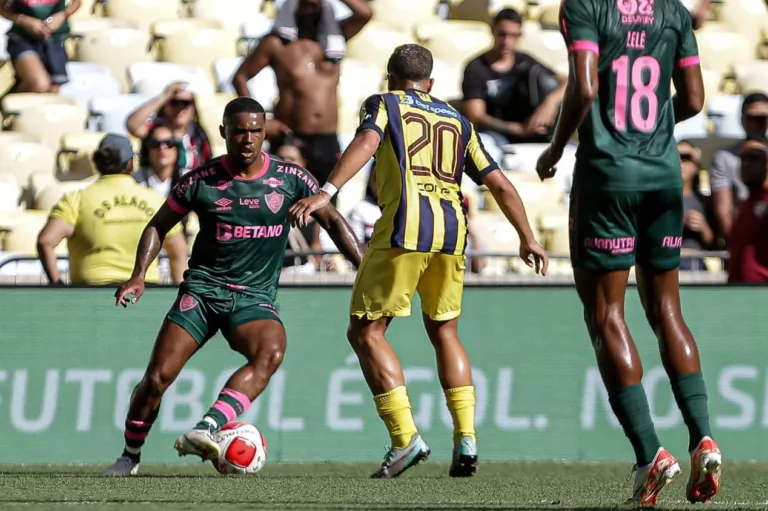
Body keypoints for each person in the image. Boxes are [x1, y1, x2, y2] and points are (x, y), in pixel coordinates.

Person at [289, 44, 548, 479]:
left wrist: (326, 192)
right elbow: (499, 183)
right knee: (445, 331)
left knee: (366, 331)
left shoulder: (385, 103)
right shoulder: (458, 119)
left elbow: (367, 142)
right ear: (430, 84)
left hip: (404, 231)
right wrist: (528, 236)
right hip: (453, 235)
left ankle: (405, 437)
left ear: (391, 79)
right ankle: (466, 437)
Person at [104, 97, 363, 476]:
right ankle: (130, 455)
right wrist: (139, 273)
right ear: (224, 132)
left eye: (256, 131)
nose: (248, 139)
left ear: (264, 133)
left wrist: (364, 268)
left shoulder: (291, 178)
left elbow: (335, 222)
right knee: (156, 379)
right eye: (240, 131)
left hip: (252, 297)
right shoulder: (199, 181)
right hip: (203, 293)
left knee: (271, 351)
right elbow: (158, 225)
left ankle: (206, 428)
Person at [535, 0, 722, 505]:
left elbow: (586, 86)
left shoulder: (585, 7)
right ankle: (703, 437)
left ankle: (650, 456)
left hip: (608, 178)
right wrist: (654, 126)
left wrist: (554, 152)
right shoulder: (674, 11)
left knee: (606, 316)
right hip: (663, 175)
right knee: (667, 310)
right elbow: (697, 99)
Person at [231, 0, 373, 186]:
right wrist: (261, 121)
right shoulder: (276, 43)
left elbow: (365, 13)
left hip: (327, 139)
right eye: (305, 3)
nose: (310, 8)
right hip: (290, 137)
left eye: (315, 3)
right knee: (282, 203)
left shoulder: (336, 36)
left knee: (326, 203)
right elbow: (240, 77)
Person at [36, 134, 188, 286]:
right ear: (131, 163)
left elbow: (45, 241)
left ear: (97, 162)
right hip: (144, 293)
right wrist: (180, 293)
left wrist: (57, 285)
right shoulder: (155, 200)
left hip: (90, 295)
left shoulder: (77, 199)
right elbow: (178, 251)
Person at [461, 8, 566, 164]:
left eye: (513, 36)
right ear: (493, 31)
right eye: (502, 34)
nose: (507, 41)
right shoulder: (476, 68)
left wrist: (550, 102)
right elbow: (476, 116)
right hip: (494, 134)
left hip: (532, 133)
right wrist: (518, 129)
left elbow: (567, 82)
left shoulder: (525, 61)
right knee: (486, 152)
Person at [710, 92, 768, 242]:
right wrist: (741, 246)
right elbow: (724, 212)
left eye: (763, 118)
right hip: (743, 239)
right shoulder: (724, 158)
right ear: (742, 119)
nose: (759, 123)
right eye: (752, 118)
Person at [126, 82, 212, 177]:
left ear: (193, 107)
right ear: (165, 105)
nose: (180, 108)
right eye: (174, 103)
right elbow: (132, 125)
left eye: (185, 103)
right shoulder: (155, 128)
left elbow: (207, 162)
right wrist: (164, 96)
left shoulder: (198, 133)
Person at [1, 0, 81, 92]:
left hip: (54, 40)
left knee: (53, 89)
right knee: (39, 84)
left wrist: (63, 14)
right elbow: (2, 7)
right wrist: (22, 19)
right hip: (23, 38)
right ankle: (5, 105)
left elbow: (77, 2)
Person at [727, 136, 768, 283]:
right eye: (742, 158)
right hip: (739, 295)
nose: (746, 164)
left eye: (754, 158)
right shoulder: (745, 204)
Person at [678, 141, 713, 271]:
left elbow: (713, 242)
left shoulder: (705, 200)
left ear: (697, 165)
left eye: (685, 157)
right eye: (674, 157)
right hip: (664, 262)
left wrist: (703, 227)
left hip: (694, 263)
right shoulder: (654, 199)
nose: (679, 162)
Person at [133, 123, 183, 198]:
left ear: (177, 150)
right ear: (147, 151)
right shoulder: (135, 181)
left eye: (169, 143)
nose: (162, 148)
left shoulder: (189, 179)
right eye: (155, 143)